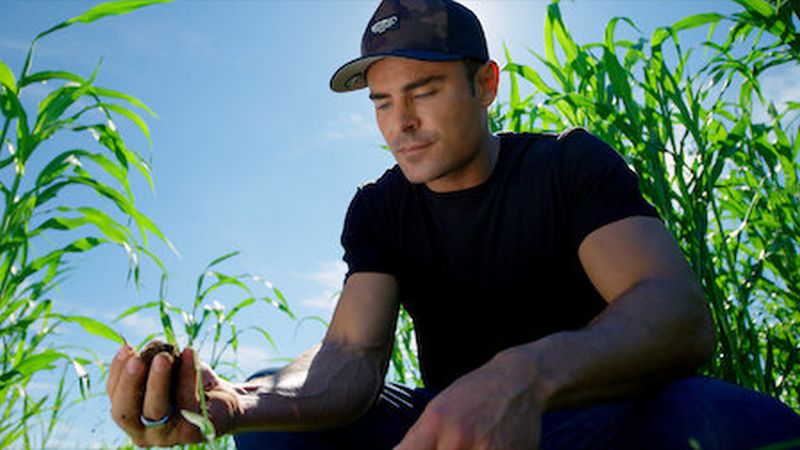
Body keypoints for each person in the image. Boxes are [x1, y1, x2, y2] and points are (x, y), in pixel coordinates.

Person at [106, 1, 800, 448]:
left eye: (424, 92)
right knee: (274, 427)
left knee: (733, 423)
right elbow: (350, 356)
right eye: (381, 103)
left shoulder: (567, 165)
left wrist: (521, 377)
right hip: (443, 429)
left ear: (485, 85)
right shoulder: (380, 206)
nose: (399, 123)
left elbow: (676, 311)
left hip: (584, 410)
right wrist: (237, 403)